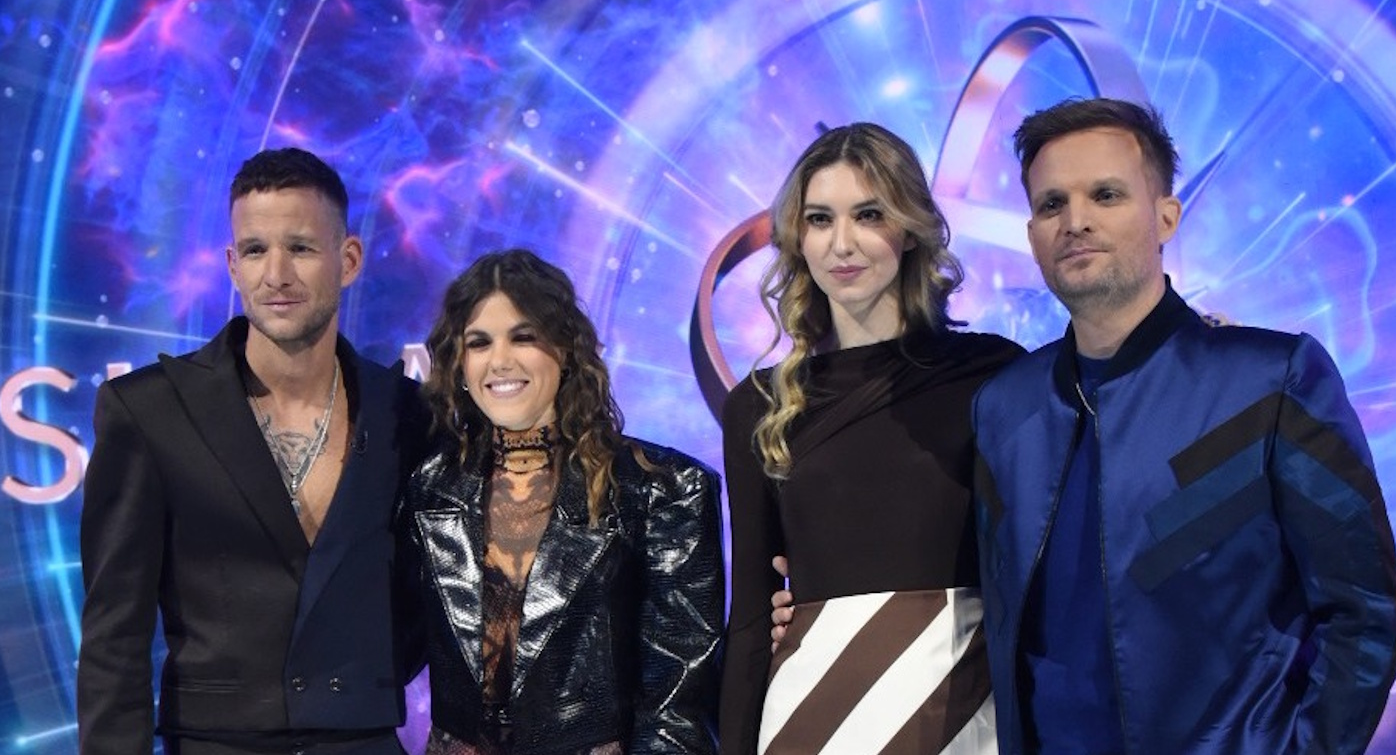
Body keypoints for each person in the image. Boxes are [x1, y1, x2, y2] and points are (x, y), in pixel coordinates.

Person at [971, 97, 1396, 753]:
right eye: (1052, 203)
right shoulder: (1005, 406)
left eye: (1106, 195)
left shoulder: (1271, 380)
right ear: (1032, 233)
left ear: (1166, 216)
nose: (1075, 221)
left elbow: (1363, 614)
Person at [77, 148, 427, 755]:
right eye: (256, 250)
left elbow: (432, 602)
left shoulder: (408, 412)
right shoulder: (151, 410)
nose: (277, 274)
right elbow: (114, 637)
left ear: (348, 260)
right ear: (232, 266)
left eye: (301, 248)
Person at [718, 123, 1024, 754]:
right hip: (810, 719)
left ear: (909, 228)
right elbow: (749, 618)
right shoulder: (758, 406)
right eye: (820, 220)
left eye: (869, 214)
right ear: (798, 238)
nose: (842, 243)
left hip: (960, 715)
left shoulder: (993, 374)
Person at [403, 248, 723, 754]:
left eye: (523, 337)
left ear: (567, 349)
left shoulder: (662, 489)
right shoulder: (429, 487)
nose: (499, 361)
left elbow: (677, 706)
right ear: (459, 363)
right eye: (479, 342)